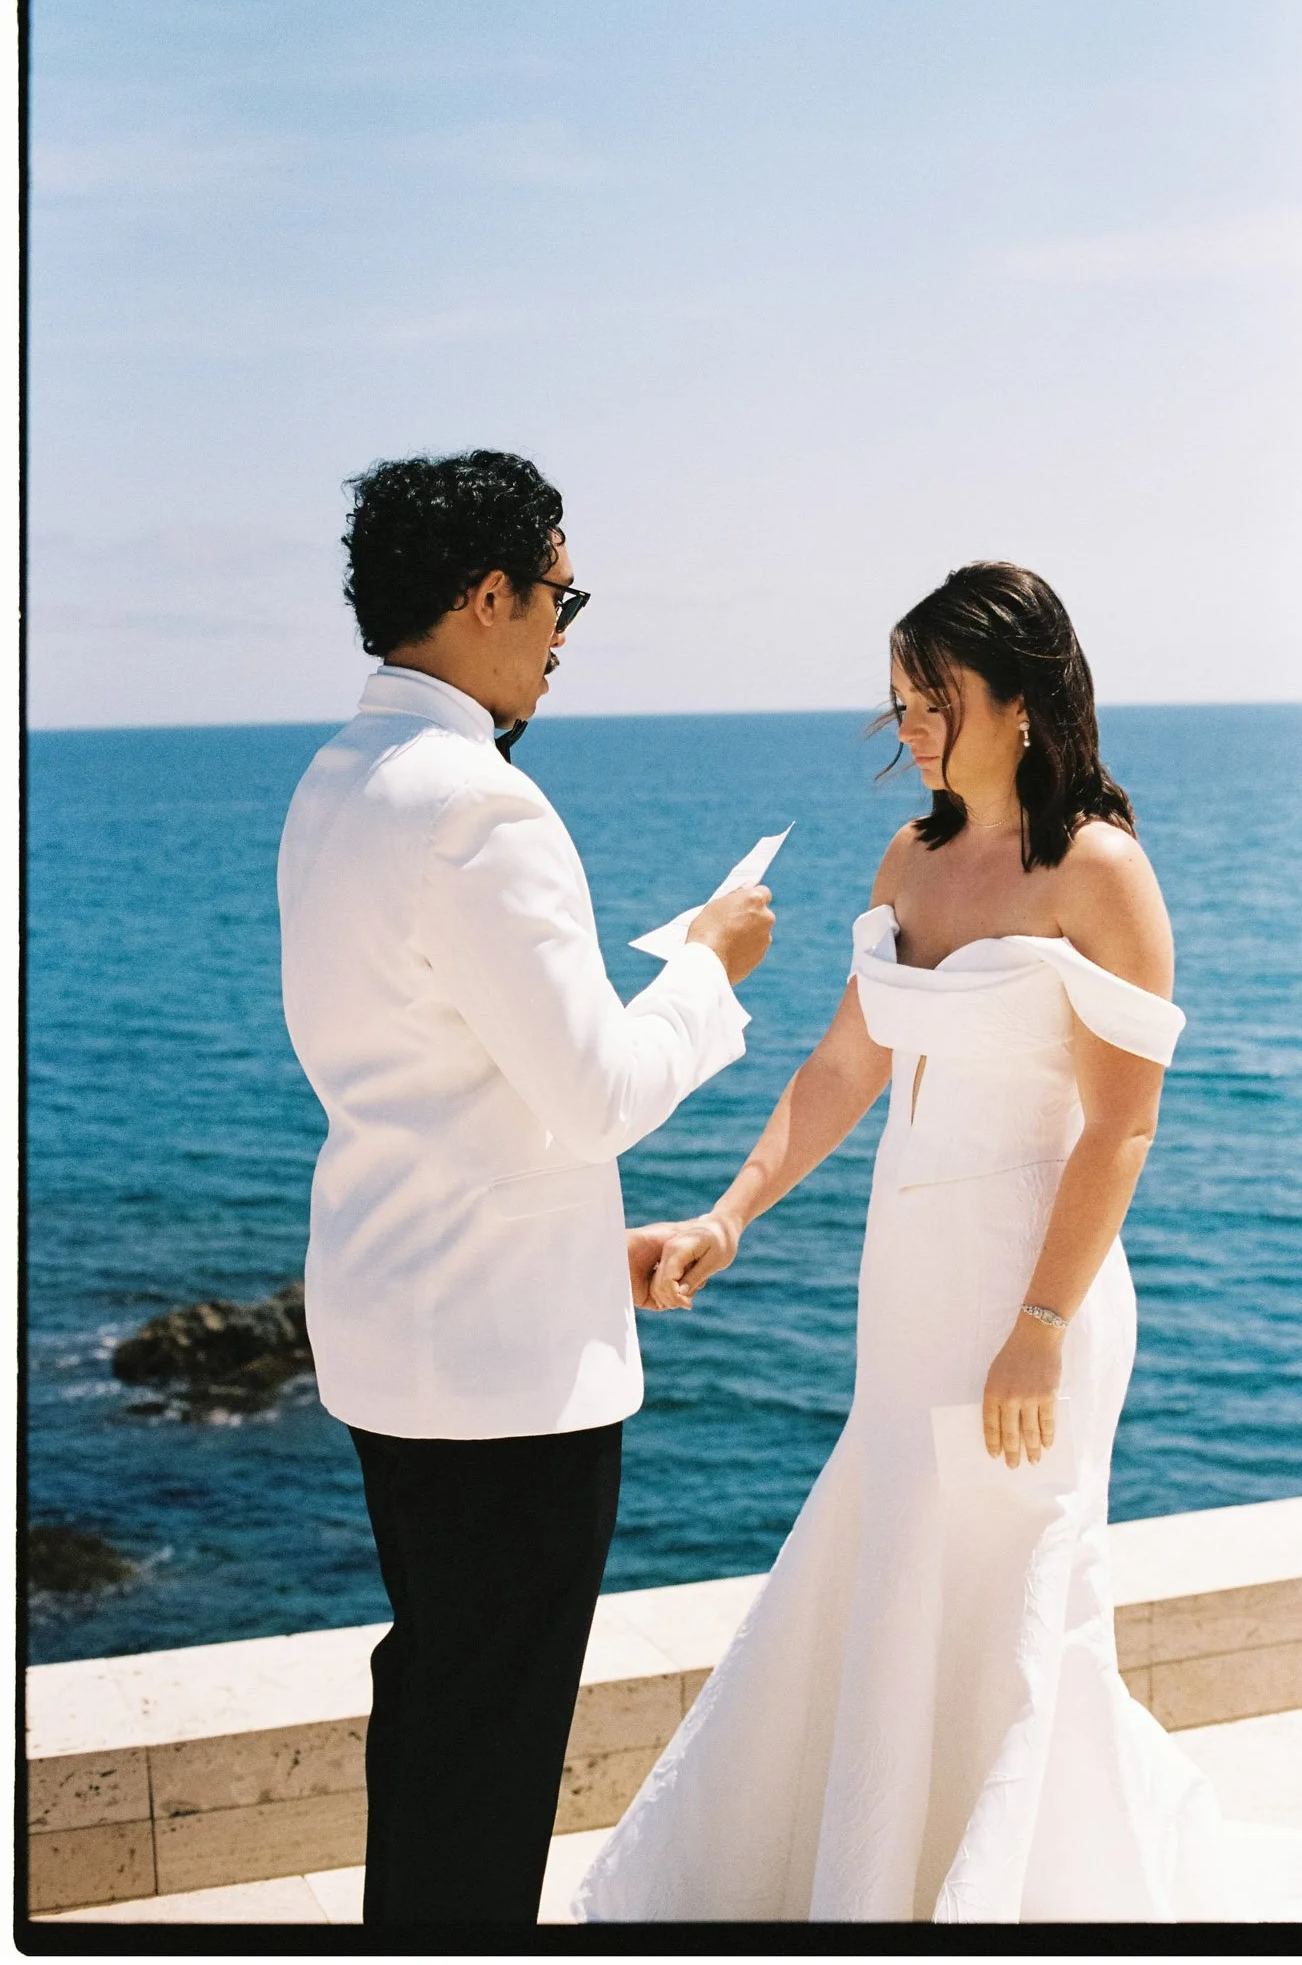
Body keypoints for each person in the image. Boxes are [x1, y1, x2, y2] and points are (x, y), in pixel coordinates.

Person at [575, 561, 1302, 1924]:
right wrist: (725, 1213)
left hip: (1031, 1299)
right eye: (898, 700)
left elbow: (1118, 1128)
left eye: (936, 697)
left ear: (1025, 704)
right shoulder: (910, 860)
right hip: (908, 1289)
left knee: (1017, 1596)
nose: (910, 725)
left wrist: (1037, 1330)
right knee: (896, 1564)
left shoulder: (1098, 869)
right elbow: (841, 1065)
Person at [275, 449, 774, 1926]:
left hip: (389, 1327)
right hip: (500, 1375)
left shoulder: (334, 778)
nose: (565, 628)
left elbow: (432, 1083)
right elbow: (596, 1092)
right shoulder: (477, 805)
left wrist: (574, 1242)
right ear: (489, 594)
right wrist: (707, 969)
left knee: (434, 1695)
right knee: (491, 1745)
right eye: (561, 594)